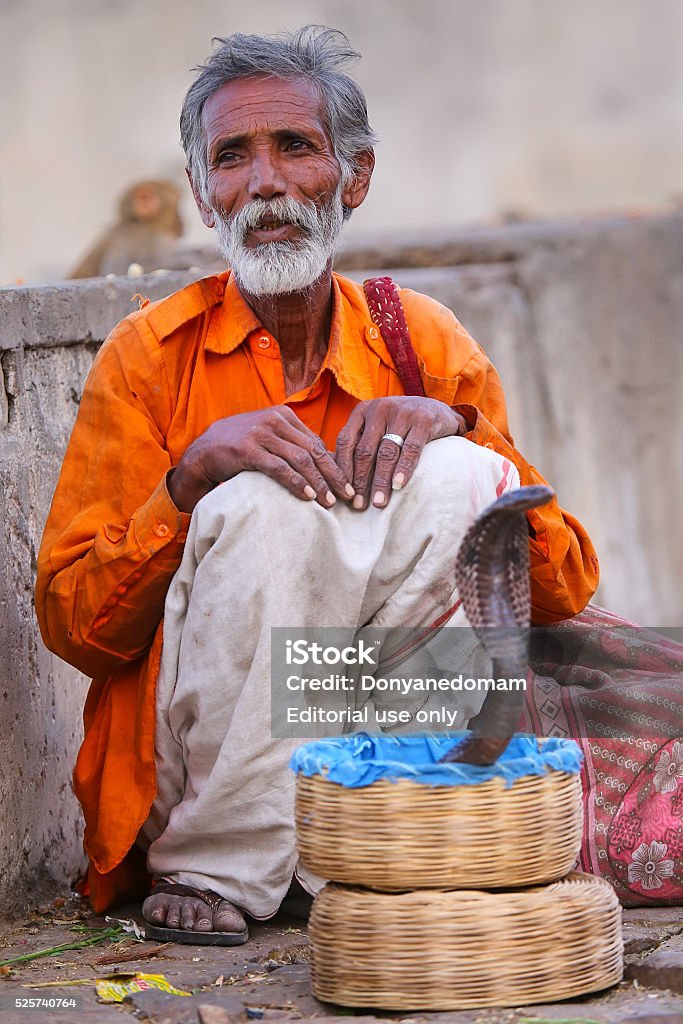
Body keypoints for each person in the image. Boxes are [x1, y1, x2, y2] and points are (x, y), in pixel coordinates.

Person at [35, 26, 598, 944]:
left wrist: (454, 427)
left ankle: (403, 820)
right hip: (200, 779)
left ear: (354, 177)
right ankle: (223, 863)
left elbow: (563, 586)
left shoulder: (424, 343)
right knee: (256, 501)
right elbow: (74, 626)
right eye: (231, 157)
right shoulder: (146, 360)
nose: (264, 183)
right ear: (201, 193)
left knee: (461, 474)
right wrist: (189, 482)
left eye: (294, 147)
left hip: (370, 735)